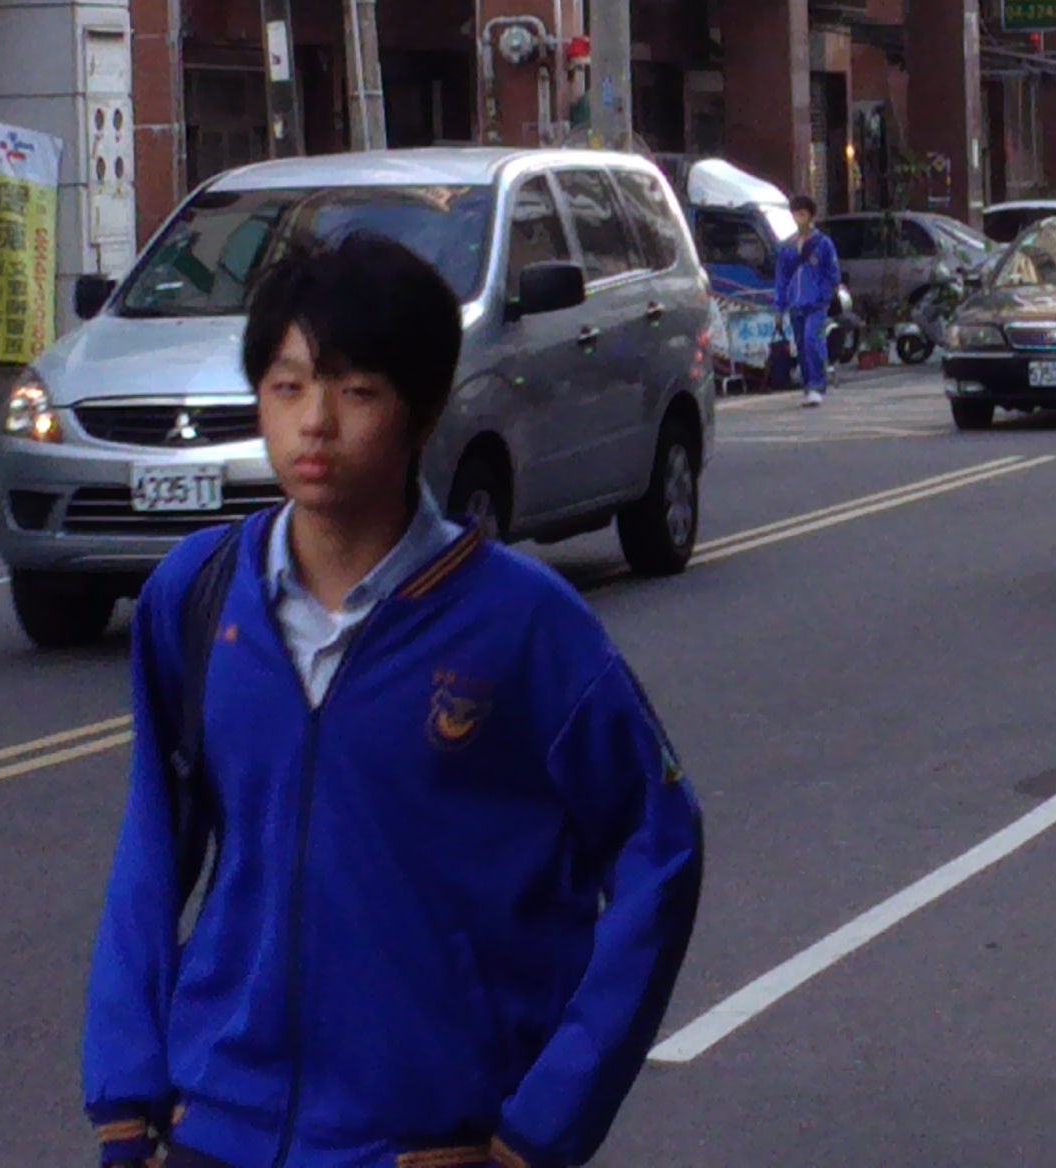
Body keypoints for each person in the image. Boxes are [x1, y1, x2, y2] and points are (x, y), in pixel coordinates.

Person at [84, 234, 702, 1168]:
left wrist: (545, 1122)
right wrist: (127, 1090)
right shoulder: (199, 594)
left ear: (421, 413)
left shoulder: (522, 625)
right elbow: (153, 846)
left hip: (424, 1143)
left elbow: (661, 849)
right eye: (287, 387)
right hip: (218, 1127)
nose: (314, 424)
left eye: (356, 391)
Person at [771, 196, 839, 408]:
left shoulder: (823, 244)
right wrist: (779, 308)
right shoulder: (787, 247)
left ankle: (817, 385)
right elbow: (781, 279)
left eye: (803, 213)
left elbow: (833, 274)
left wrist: (824, 295)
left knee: (812, 340)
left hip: (817, 304)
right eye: (795, 213)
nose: (799, 218)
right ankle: (809, 385)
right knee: (801, 345)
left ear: (810, 215)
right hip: (795, 304)